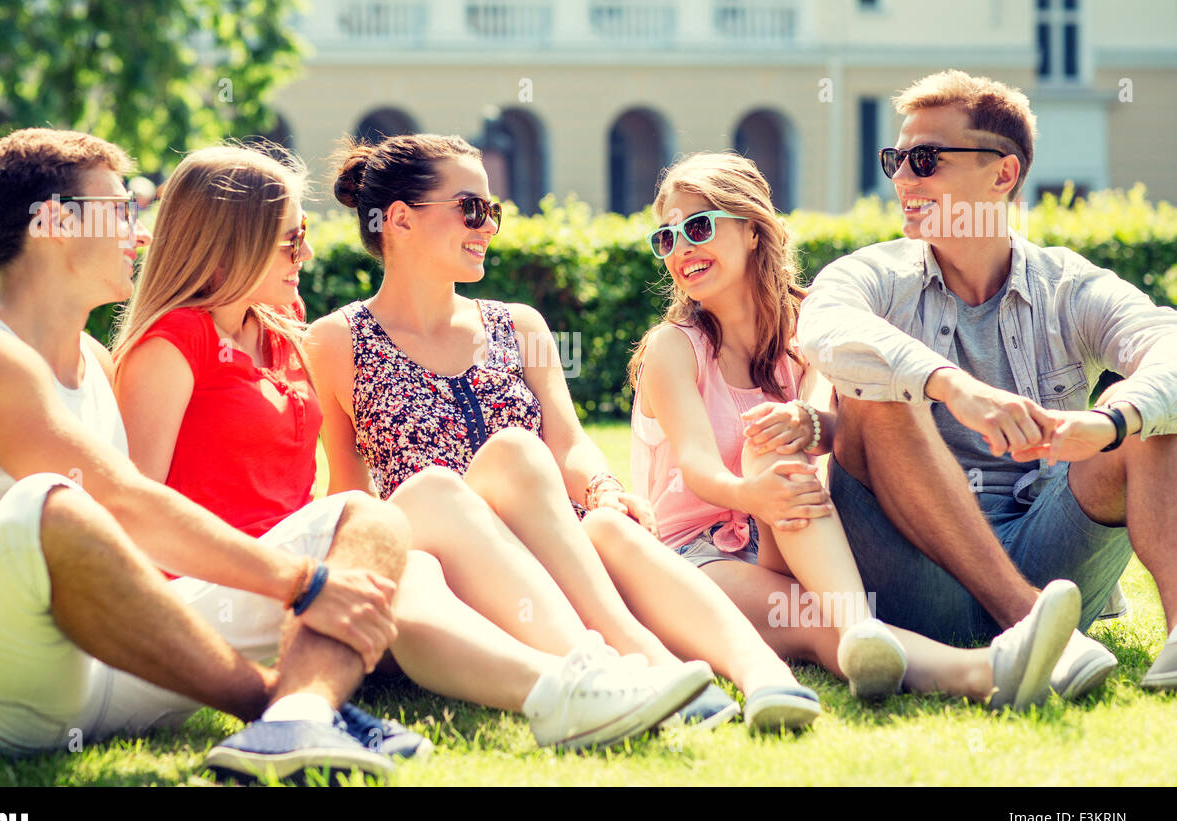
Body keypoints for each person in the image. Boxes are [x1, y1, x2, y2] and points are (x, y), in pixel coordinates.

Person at [111, 143, 711, 753]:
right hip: (239, 586)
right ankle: (589, 670)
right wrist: (296, 576)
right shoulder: (172, 346)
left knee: (414, 563)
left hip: (306, 573)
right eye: (291, 240)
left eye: (306, 235)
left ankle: (578, 680)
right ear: (230, 240)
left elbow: (324, 491)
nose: (309, 254)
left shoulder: (280, 335)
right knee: (429, 495)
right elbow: (136, 519)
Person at [0, 128, 425, 785]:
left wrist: (314, 567)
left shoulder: (95, 361)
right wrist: (303, 583)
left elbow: (137, 547)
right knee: (56, 505)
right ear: (52, 221)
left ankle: (300, 716)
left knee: (365, 523)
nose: (138, 234)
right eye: (121, 210)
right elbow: (121, 504)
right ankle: (269, 708)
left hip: (98, 669)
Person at [307, 133, 823, 732]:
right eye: (472, 209)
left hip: (550, 548)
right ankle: (640, 658)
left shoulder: (518, 324)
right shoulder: (335, 340)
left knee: (603, 520)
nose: (488, 227)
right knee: (513, 454)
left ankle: (765, 678)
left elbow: (571, 444)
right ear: (399, 219)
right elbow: (348, 491)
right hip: (447, 562)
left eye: (492, 212)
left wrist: (604, 489)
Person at [629, 150, 1084, 708]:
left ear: (751, 230)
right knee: (816, 625)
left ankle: (863, 626)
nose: (681, 249)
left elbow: (822, 423)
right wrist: (753, 497)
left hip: (798, 534)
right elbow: (697, 466)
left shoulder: (811, 324)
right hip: (698, 555)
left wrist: (778, 475)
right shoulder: (672, 347)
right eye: (666, 238)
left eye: (697, 227)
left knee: (775, 434)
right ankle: (982, 668)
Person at [797, 69, 1177, 696]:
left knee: (1148, 410)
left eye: (925, 159)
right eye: (896, 159)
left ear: (1002, 173)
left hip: (1053, 555)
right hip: (919, 572)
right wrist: (950, 384)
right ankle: (1027, 623)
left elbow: (1165, 343)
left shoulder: (1069, 286)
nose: (902, 179)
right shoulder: (871, 275)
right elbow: (825, 328)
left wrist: (1109, 424)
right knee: (877, 395)